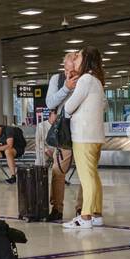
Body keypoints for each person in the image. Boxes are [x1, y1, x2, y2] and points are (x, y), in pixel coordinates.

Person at [61, 47, 106, 229]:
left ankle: (85, 216)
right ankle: (96, 213)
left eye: (78, 56)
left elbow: (69, 106)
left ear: (85, 59)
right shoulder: (97, 80)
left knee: (86, 178)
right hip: (95, 136)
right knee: (93, 176)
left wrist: (68, 106)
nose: (75, 58)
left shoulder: (85, 79)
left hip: (83, 136)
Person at [44, 52, 79, 221]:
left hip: (82, 132)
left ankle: (83, 209)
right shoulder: (57, 80)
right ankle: (56, 209)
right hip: (63, 132)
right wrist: (66, 87)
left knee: (85, 173)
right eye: (66, 69)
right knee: (58, 171)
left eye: (73, 71)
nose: (69, 74)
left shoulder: (87, 80)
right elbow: (50, 103)